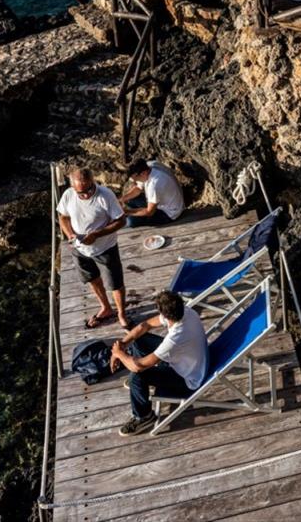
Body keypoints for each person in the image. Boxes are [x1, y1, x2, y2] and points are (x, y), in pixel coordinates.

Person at [110, 289, 208, 437]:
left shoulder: (174, 339)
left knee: (137, 376)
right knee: (139, 340)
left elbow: (138, 366)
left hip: (188, 379)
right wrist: (123, 344)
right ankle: (139, 387)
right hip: (187, 361)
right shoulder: (186, 312)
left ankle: (143, 416)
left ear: (164, 314)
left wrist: (118, 354)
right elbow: (145, 326)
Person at [57, 166, 129, 330]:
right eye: (80, 193)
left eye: (89, 189)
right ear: (72, 187)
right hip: (79, 248)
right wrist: (70, 234)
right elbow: (63, 217)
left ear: (93, 181)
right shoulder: (68, 195)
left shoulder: (106, 195)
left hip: (105, 248)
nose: (86, 195)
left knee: (115, 284)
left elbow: (121, 221)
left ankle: (122, 314)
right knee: (92, 279)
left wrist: (97, 235)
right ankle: (106, 307)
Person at [120, 158, 185, 228]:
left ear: (143, 173)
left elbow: (149, 212)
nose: (134, 181)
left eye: (135, 179)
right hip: (167, 200)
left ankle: (137, 215)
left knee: (130, 222)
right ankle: (136, 212)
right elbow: (138, 188)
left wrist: (126, 212)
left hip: (169, 213)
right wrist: (120, 200)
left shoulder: (154, 184)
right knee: (129, 200)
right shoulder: (150, 165)